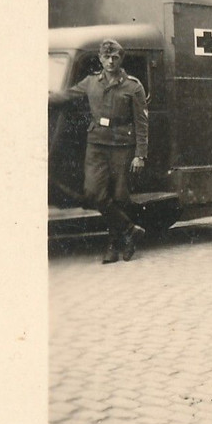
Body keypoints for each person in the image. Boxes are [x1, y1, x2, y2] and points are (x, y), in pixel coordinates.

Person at [51, 39, 149, 263]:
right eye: (106, 57)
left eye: (115, 57)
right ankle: (129, 229)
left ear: (120, 59)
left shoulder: (133, 86)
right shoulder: (90, 82)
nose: (110, 61)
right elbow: (66, 96)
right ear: (101, 58)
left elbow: (142, 123)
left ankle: (115, 245)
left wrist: (140, 155)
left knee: (120, 196)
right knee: (94, 192)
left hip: (122, 147)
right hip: (96, 144)